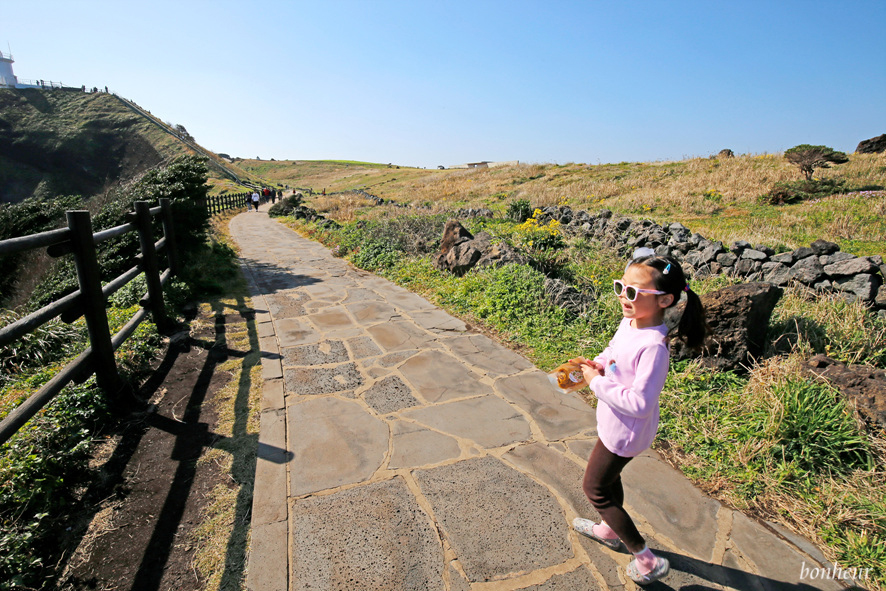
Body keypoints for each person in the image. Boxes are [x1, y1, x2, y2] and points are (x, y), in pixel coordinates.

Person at [570, 250, 708, 586]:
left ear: (665, 301)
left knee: (594, 488)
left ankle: (646, 560)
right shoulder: (630, 323)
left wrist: (596, 384)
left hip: (626, 432)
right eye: (621, 287)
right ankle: (609, 529)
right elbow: (614, 351)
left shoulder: (654, 347)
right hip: (615, 423)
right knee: (608, 479)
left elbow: (641, 403)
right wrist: (599, 364)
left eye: (633, 292)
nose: (623, 297)